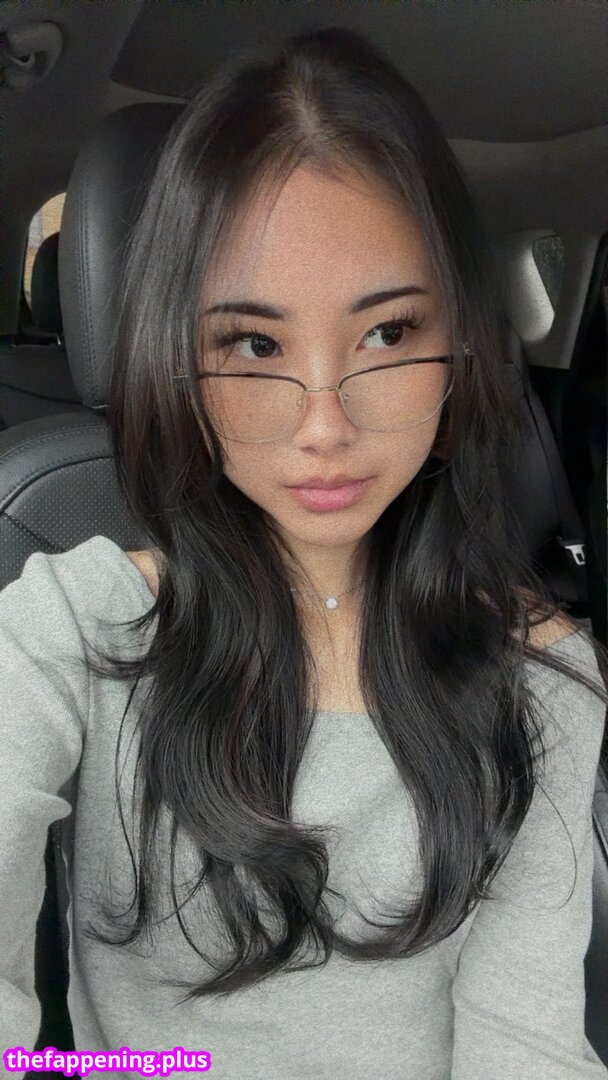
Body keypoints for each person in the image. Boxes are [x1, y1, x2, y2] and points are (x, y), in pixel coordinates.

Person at [1, 25, 607, 1080]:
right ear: (179, 357)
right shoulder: (67, 633)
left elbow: (526, 1046)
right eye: (253, 343)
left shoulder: (542, 677)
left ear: (457, 344)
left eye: (386, 333)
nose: (323, 426)